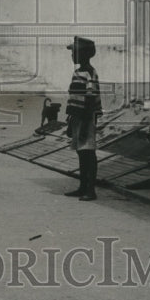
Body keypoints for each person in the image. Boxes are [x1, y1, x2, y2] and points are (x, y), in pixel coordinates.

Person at [63, 37, 102, 201]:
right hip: (78, 117)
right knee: (81, 152)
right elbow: (75, 99)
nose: (72, 55)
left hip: (86, 118)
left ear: (84, 54)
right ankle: (82, 186)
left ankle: (91, 190)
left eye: (74, 52)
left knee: (88, 153)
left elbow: (91, 99)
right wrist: (71, 121)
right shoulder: (78, 72)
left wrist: (86, 123)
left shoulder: (89, 72)